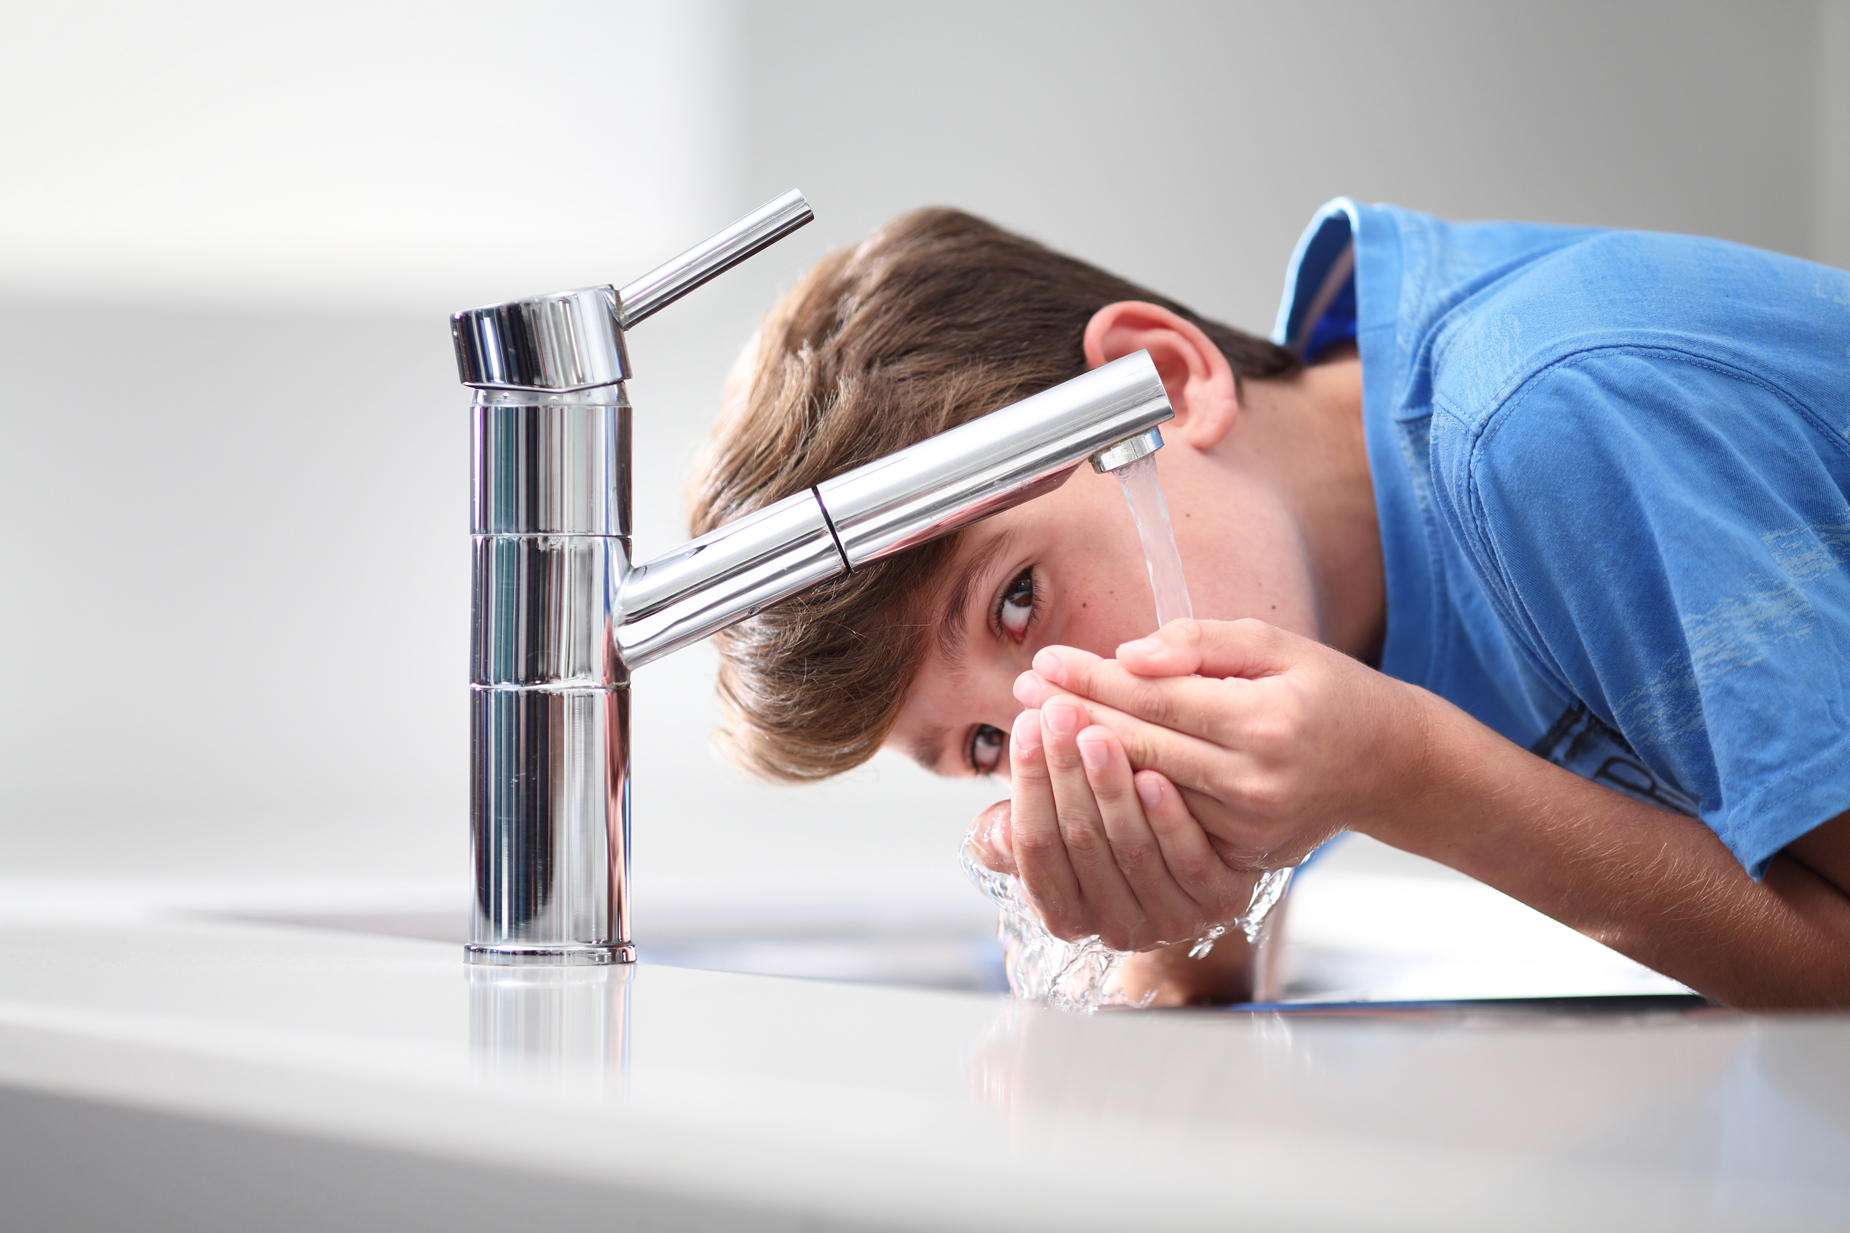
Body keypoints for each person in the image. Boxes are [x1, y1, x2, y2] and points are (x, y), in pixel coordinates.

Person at [688, 201, 1850, 1009]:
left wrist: (1406, 775)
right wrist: (1172, 928)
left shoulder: (1540, 430)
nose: (1058, 726)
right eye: (985, 744)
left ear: (1162, 383)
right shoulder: (1326, 575)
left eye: (1016, 601)